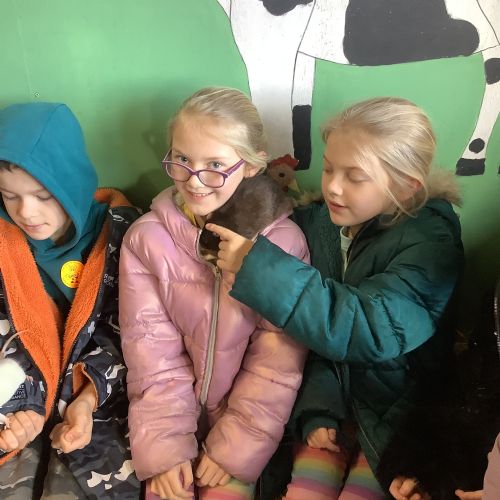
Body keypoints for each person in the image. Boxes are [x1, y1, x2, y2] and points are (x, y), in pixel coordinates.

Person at [207, 96, 465, 499]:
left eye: (354, 177)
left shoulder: (431, 244)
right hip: (329, 408)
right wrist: (317, 408)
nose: (332, 186)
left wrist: (257, 267)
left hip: (398, 419)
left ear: (405, 187)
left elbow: (367, 329)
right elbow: (317, 343)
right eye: (328, 168)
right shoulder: (321, 226)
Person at [118, 87, 309, 500]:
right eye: (182, 160)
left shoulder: (284, 244)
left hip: (246, 429)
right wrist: (166, 448)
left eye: (215, 165)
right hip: (166, 421)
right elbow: (151, 353)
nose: (194, 180)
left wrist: (235, 445)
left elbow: (276, 362)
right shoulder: (146, 240)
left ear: (252, 165)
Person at [0, 102, 141, 499]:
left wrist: (87, 397)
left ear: (73, 185)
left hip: (99, 398)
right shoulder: (5, 241)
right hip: (23, 394)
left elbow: (131, 334)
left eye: (43, 196)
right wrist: (19, 411)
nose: (26, 212)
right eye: (9, 196)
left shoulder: (123, 236)